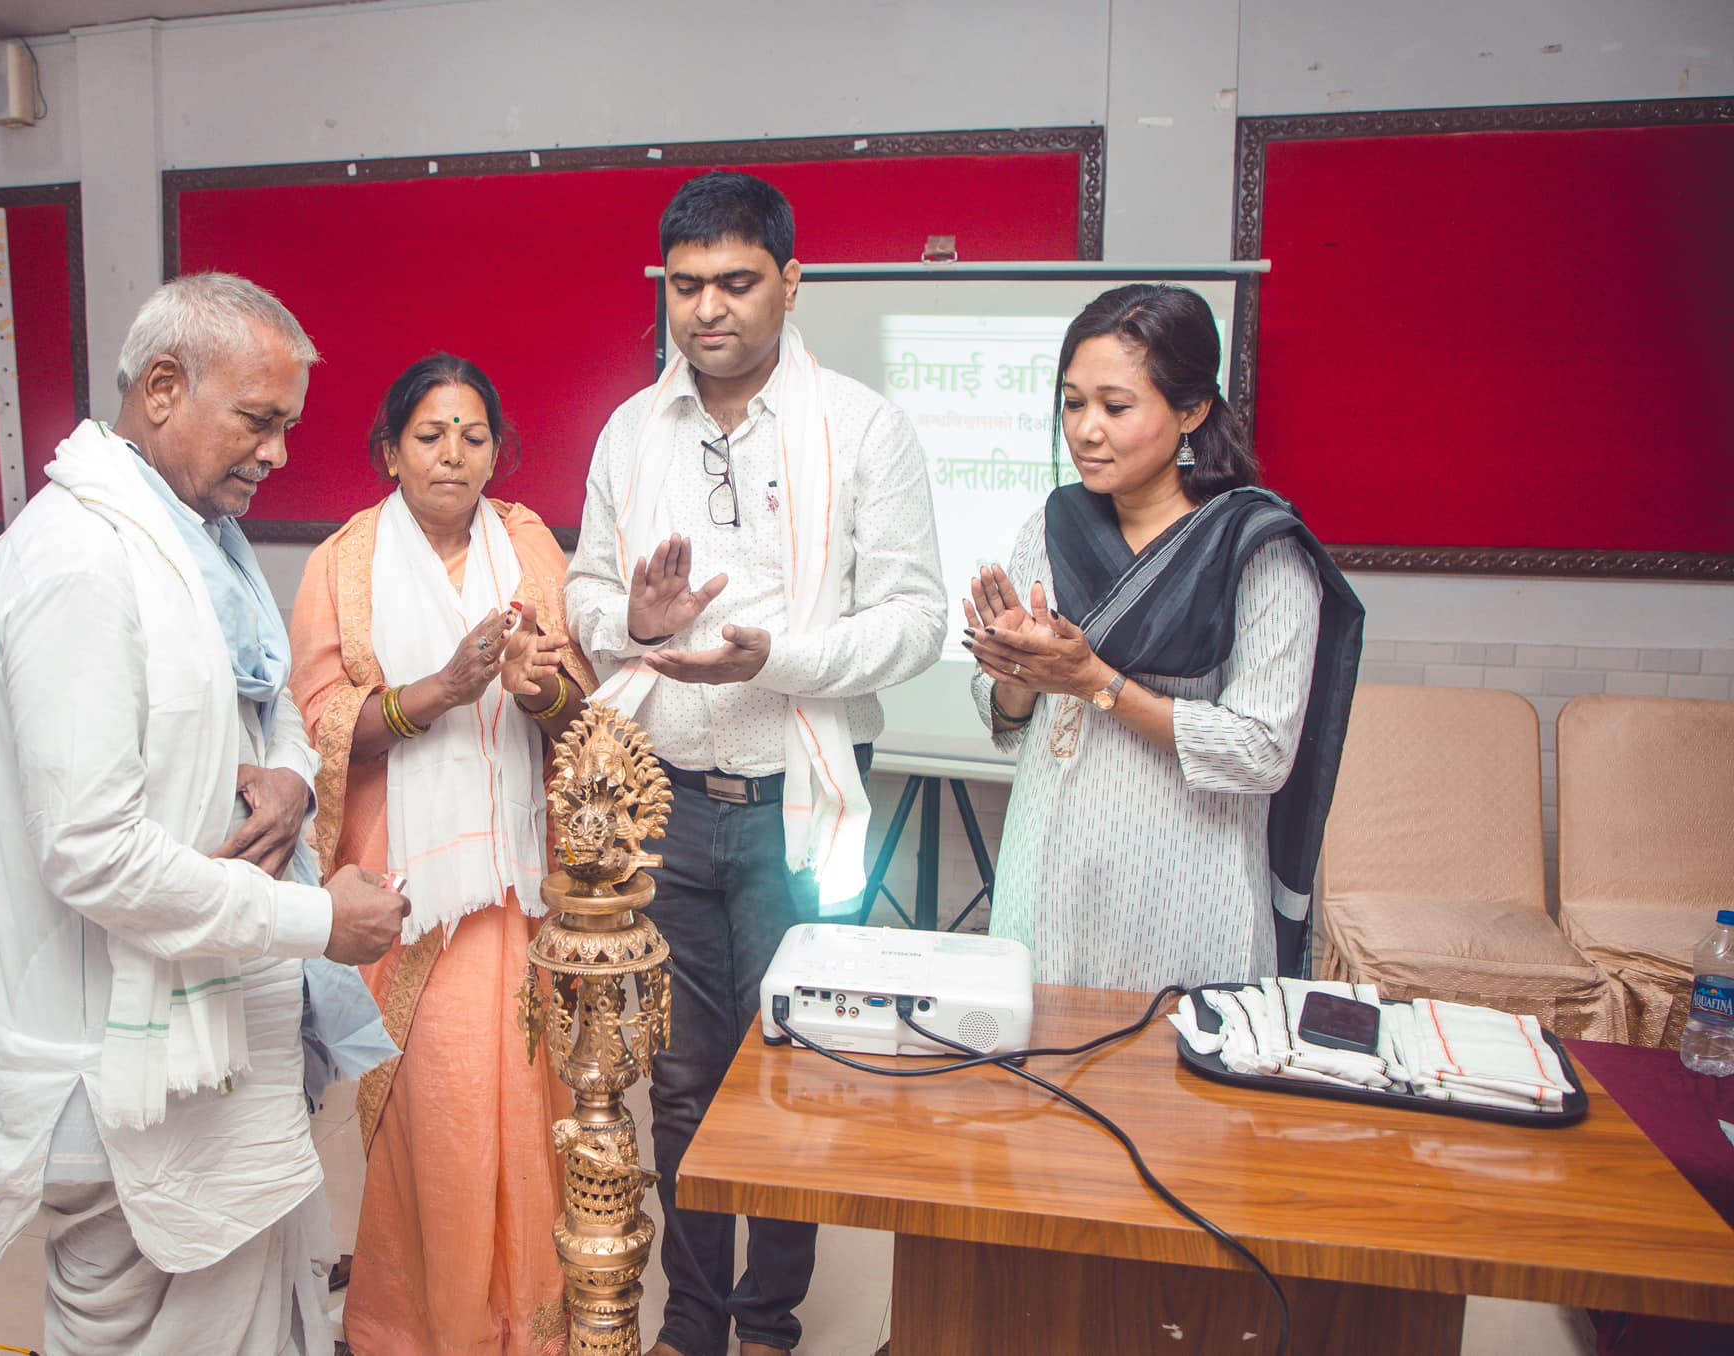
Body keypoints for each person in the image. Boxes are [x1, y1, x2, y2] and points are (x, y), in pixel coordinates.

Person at [0, 272, 410, 1356]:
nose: (278, 454)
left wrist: (291, 776)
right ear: (161, 388)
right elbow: (92, 853)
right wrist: (317, 923)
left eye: (288, 425)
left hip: (202, 1049)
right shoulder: (79, 563)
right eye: (257, 419)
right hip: (117, 1066)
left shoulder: (198, 543)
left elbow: (264, 702)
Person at [565, 172, 945, 1356]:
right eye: (685, 286)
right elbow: (583, 596)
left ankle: (767, 1321)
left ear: (791, 281)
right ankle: (692, 1322)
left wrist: (777, 659)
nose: (707, 309)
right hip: (665, 808)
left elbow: (915, 620)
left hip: (805, 807)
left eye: (735, 282)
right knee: (678, 1080)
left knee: (790, 1071)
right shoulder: (631, 432)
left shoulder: (863, 428)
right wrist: (628, 621)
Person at [288, 354, 592, 1356]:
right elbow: (320, 728)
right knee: (443, 1117)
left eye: (472, 435)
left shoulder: (530, 545)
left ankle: (530, 1327)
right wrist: (440, 692)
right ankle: (427, 1329)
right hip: (409, 893)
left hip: (523, 885)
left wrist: (540, 689)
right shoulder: (343, 565)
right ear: (390, 451)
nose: (452, 454)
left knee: (533, 1105)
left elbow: (579, 712)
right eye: (429, 435)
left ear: (497, 453)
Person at [962, 282, 1363, 991]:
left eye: (1116, 407)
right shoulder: (1053, 526)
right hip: (1045, 868)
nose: (1086, 430)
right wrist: (1016, 676)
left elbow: (1263, 752)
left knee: (1168, 1059)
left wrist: (1096, 682)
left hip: (1182, 885)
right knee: (1033, 1048)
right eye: (1073, 403)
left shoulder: (1255, 547)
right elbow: (1012, 724)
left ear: (1192, 409)